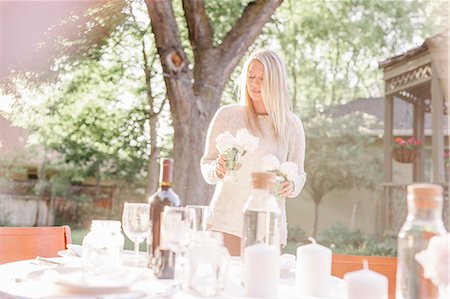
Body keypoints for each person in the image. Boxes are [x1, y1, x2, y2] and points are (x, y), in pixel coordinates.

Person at [200, 49, 306, 256]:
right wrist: (217, 169)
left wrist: (290, 185)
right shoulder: (227, 116)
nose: (255, 84)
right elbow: (207, 165)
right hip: (224, 224)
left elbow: (300, 172)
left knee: (259, 287)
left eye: (262, 79)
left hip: (267, 227)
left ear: (275, 83)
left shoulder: (292, 125)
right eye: (251, 76)